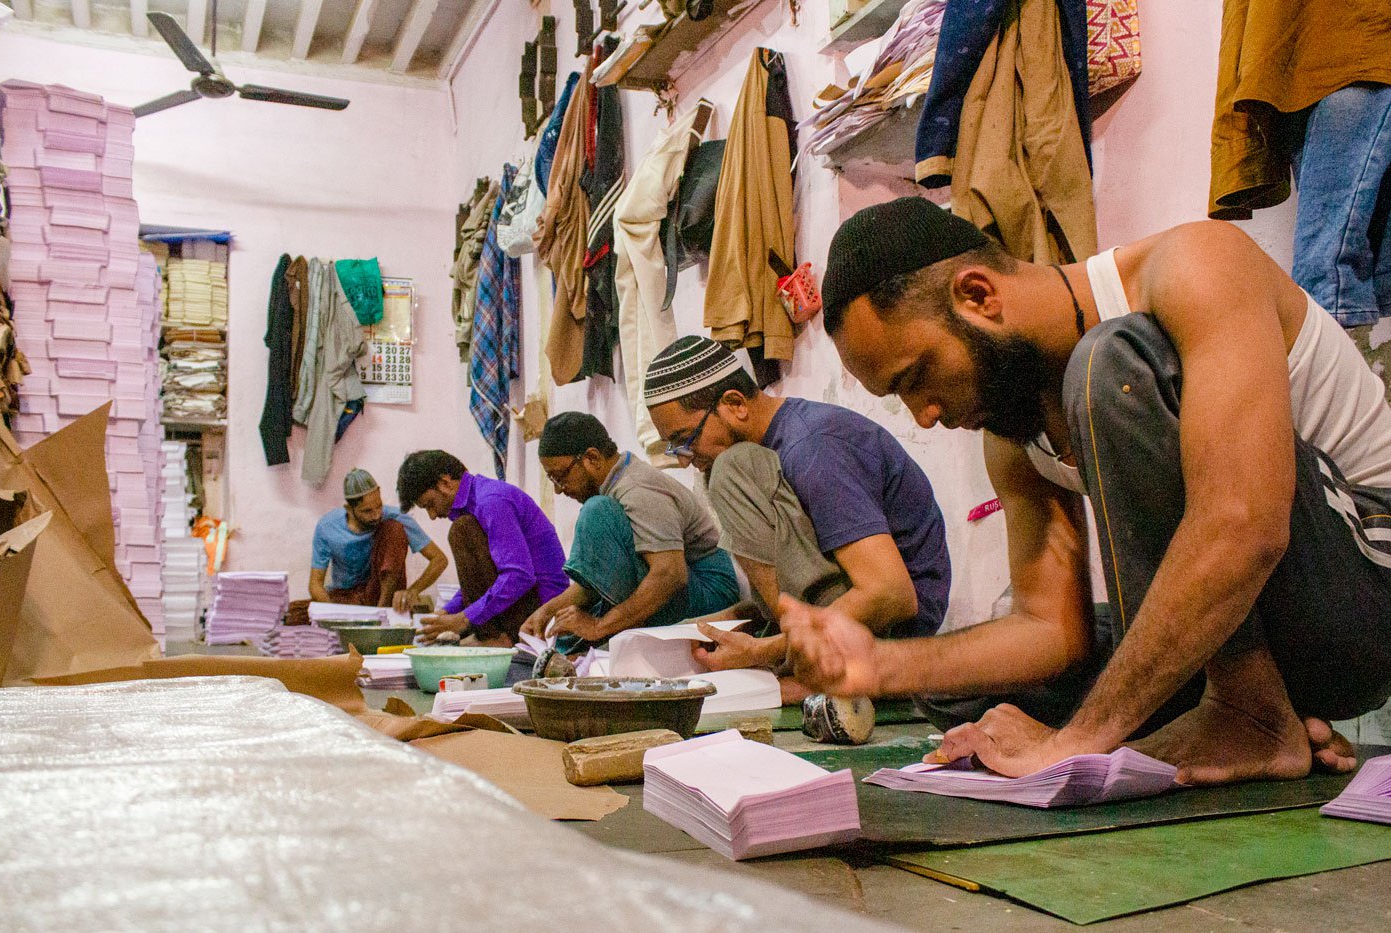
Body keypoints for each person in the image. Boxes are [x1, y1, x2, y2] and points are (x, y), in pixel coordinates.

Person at [786, 195, 1391, 785]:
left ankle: (1247, 714)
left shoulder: (1195, 267)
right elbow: (1050, 627)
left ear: (977, 294)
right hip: (1265, 621)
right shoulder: (1009, 418)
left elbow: (1244, 526)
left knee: (1109, 364)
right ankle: (1260, 714)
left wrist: (1077, 738)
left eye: (916, 376)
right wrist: (877, 666)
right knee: (957, 690)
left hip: (1365, 597)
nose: (923, 414)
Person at [643, 336, 951, 693]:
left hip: (896, 634)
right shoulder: (773, 451)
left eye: (685, 439)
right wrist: (715, 625)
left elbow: (890, 595)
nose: (683, 458)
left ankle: (827, 672)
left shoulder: (813, 447)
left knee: (728, 469)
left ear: (735, 403)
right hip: (852, 621)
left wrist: (765, 649)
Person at [523, 412, 741, 644]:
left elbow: (670, 574)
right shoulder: (616, 484)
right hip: (685, 582)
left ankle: (603, 641)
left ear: (592, 458)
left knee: (596, 511)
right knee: (571, 626)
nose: (559, 489)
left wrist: (599, 626)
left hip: (711, 592)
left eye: (560, 477)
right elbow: (594, 584)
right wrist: (545, 612)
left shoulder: (637, 488)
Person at [397, 450, 569, 648]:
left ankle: (494, 638)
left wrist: (463, 619)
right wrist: (446, 613)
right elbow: (484, 580)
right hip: (528, 604)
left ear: (445, 483)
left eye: (430, 504)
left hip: (543, 611)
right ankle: (491, 635)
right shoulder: (479, 501)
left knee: (461, 530)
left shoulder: (491, 501)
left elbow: (519, 576)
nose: (433, 515)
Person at [309, 468, 447, 611]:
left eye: (379, 506)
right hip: (346, 597)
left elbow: (439, 559)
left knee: (394, 529)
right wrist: (334, 614)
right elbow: (315, 585)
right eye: (367, 511)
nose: (376, 515)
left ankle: (382, 613)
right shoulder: (327, 526)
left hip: (380, 595)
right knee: (294, 614)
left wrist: (413, 591)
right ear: (349, 509)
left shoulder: (395, 516)